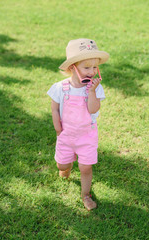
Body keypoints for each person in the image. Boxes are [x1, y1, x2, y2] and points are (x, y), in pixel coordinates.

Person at [47, 38, 109, 210]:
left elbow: (93, 109)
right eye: (87, 67)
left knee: (85, 167)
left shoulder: (95, 89)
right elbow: (54, 109)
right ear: (72, 67)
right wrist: (57, 129)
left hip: (86, 136)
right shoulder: (60, 88)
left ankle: (86, 195)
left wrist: (91, 92)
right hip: (66, 134)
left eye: (95, 67)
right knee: (63, 164)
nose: (92, 72)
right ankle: (66, 167)